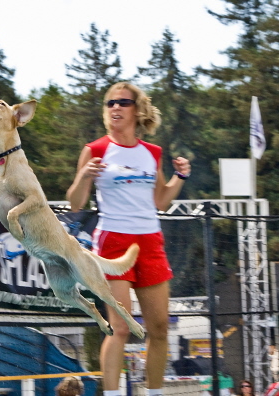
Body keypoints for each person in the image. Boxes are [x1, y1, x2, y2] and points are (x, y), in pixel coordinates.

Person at [66, 82, 191, 396]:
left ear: (137, 110)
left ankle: (155, 392)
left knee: (159, 329)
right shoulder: (95, 149)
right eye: (110, 103)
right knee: (120, 326)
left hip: (150, 242)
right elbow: (75, 204)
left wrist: (180, 177)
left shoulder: (152, 153)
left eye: (122, 102)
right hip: (113, 243)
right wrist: (84, 176)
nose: (115, 108)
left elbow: (161, 201)